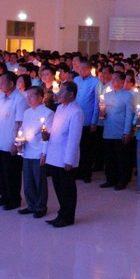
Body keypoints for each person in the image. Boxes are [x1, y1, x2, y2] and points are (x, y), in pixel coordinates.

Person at [43, 81, 83, 228]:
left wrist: (69, 159)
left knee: (67, 188)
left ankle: (68, 216)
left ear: (71, 94)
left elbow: (74, 138)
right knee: (58, 186)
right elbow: (56, 129)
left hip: (65, 156)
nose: (58, 94)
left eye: (62, 92)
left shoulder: (76, 112)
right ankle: (61, 213)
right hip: (55, 153)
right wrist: (48, 134)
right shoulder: (59, 108)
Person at [0, 71, 27, 210]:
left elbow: (20, 123)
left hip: (10, 141)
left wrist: (16, 142)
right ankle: (3, 196)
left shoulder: (19, 99)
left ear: (11, 84)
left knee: (11, 172)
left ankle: (14, 199)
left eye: (2, 82)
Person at [19, 86, 54, 218]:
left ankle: (40, 206)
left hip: (39, 151)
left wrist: (44, 153)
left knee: (39, 181)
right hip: (27, 150)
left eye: (31, 96)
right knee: (28, 180)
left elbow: (48, 136)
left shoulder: (48, 113)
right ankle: (31, 204)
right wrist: (19, 141)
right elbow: (22, 129)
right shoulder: (27, 112)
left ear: (40, 98)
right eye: (27, 96)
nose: (28, 99)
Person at [100, 71, 134, 190]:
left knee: (121, 157)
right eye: (112, 79)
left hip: (120, 130)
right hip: (108, 129)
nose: (113, 81)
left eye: (116, 79)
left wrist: (127, 132)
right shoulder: (107, 95)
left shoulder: (127, 96)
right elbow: (103, 112)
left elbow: (129, 115)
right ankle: (110, 179)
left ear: (122, 82)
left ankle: (122, 180)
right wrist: (102, 114)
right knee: (109, 157)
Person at [72, 56, 100, 183]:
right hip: (76, 117)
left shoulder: (96, 82)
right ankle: (77, 171)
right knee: (76, 146)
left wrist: (94, 121)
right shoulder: (76, 80)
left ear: (89, 69)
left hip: (88, 118)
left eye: (83, 69)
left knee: (86, 148)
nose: (80, 71)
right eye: (79, 69)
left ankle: (86, 173)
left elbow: (97, 103)